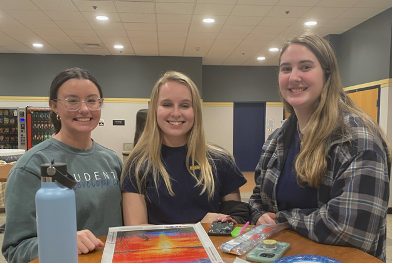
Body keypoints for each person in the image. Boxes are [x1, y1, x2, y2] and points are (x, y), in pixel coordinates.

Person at [249, 33, 391, 261]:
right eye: (286, 69)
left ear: (328, 74)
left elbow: (350, 229)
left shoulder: (356, 138)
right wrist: (258, 215)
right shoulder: (277, 139)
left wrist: (282, 219)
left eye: (305, 67)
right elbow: (258, 198)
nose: (294, 77)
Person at [2, 67, 123, 263]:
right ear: (54, 106)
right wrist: (61, 241)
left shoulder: (112, 160)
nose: (84, 109)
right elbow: (15, 249)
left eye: (92, 100)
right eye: (72, 101)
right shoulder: (33, 166)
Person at [121, 71, 247, 225]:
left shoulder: (220, 160)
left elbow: (235, 220)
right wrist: (197, 228)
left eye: (185, 105)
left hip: (212, 248)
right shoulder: (137, 164)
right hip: (159, 249)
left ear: (196, 111)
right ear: (154, 109)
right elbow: (137, 230)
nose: (176, 113)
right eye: (167, 104)